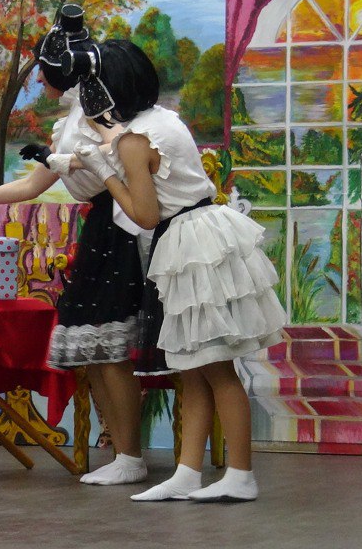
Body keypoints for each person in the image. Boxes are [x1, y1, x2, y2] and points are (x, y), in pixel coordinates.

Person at [0, 5, 155, 487]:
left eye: (44, 71)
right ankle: (123, 453)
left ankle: (129, 455)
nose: (39, 79)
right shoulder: (74, 118)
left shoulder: (98, 115)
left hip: (119, 228)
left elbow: (112, 160)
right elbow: (33, 185)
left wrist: (60, 160)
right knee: (96, 349)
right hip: (100, 230)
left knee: (109, 348)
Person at [71, 40, 286, 503]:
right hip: (202, 232)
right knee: (193, 366)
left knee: (217, 367)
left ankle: (241, 475)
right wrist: (105, 153)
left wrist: (103, 173)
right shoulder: (162, 119)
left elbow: (145, 215)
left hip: (189, 242)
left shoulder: (134, 140)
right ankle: (188, 473)